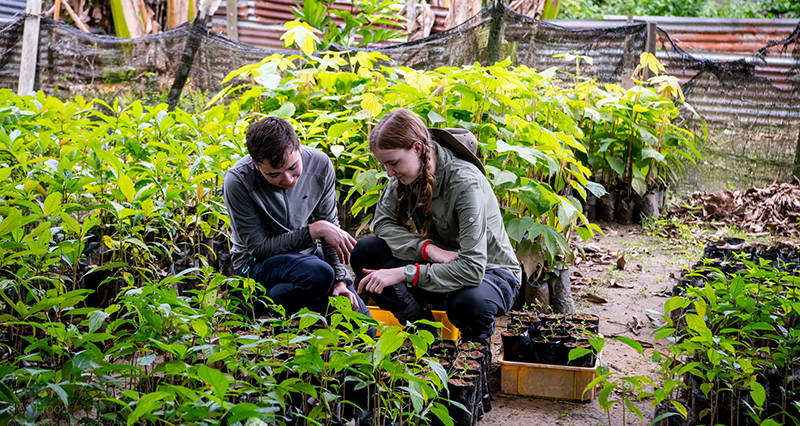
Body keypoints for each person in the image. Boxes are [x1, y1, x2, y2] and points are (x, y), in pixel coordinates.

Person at [351, 109, 521, 344]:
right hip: (437, 268)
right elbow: (382, 223)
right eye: (385, 165)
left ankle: (475, 351)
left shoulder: (465, 182)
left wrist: (405, 273)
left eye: (393, 163)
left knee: (467, 303)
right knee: (366, 252)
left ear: (418, 149)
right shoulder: (406, 174)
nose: (389, 172)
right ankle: (423, 334)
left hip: (489, 275)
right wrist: (426, 249)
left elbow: (472, 269)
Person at [223, 116, 371, 320]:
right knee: (318, 274)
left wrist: (340, 281)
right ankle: (257, 308)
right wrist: (314, 231)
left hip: (304, 261)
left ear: (299, 148)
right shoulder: (238, 181)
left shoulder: (320, 164)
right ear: (256, 165)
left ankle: (308, 301)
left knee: (364, 326)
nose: (288, 179)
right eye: (274, 175)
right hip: (254, 266)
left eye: (293, 167)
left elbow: (331, 231)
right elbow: (260, 248)